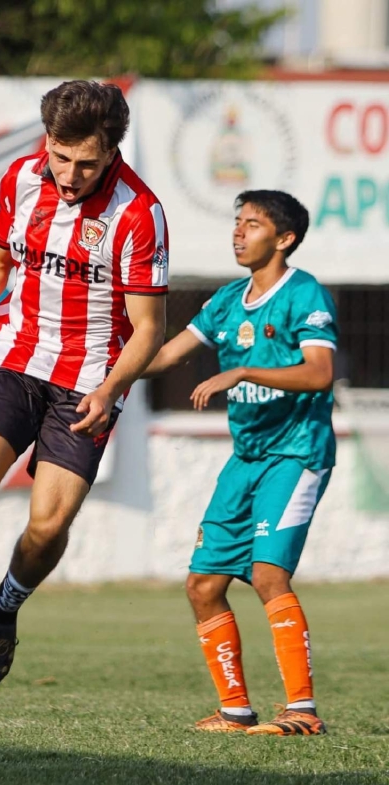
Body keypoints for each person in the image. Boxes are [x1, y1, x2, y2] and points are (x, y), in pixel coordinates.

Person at [0, 80, 169, 691]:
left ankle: (5, 609)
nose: (70, 174)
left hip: (91, 381)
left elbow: (149, 329)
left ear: (113, 154)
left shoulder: (139, 213)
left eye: (87, 164)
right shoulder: (19, 179)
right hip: (15, 359)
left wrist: (111, 388)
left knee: (47, 525)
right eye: (61, 156)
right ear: (47, 141)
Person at [144, 189, 337, 735]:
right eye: (237, 222)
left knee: (267, 573)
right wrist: (101, 372)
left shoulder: (304, 294)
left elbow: (320, 373)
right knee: (203, 585)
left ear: (284, 238)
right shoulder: (228, 300)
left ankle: (301, 712)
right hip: (246, 458)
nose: (238, 231)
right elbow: (164, 356)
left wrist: (243, 372)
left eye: (252, 224)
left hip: (296, 453)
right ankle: (235, 711)